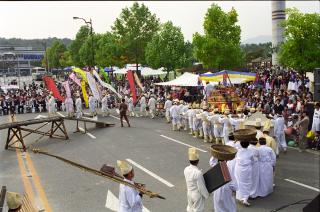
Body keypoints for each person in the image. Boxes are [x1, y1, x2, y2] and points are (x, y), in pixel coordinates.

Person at [184, 147, 209, 212]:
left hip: (189, 193)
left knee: (190, 208)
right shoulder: (198, 173)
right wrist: (207, 195)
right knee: (198, 210)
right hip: (197, 195)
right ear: (198, 161)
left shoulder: (186, 169)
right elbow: (201, 187)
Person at [235, 140, 254, 206]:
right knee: (247, 183)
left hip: (239, 168)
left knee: (239, 181)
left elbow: (235, 158)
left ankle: (240, 197)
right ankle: (245, 198)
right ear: (248, 144)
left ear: (240, 144)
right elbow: (252, 161)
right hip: (247, 169)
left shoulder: (237, 150)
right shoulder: (250, 152)